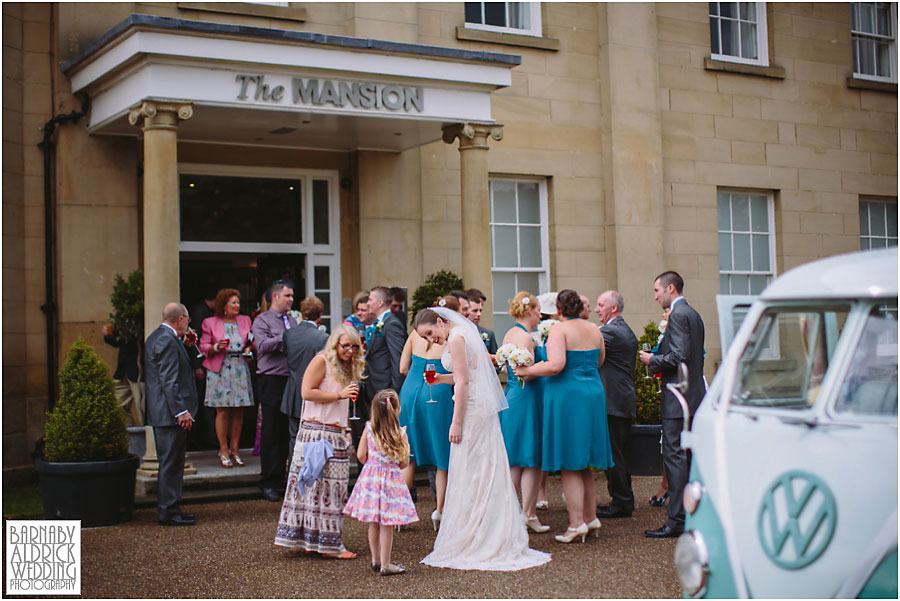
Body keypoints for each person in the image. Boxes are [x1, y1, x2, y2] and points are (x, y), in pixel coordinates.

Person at [414, 307, 550, 571]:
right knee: (482, 469)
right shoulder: (465, 332)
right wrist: (442, 379)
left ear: (440, 321)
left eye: (430, 333)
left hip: (471, 412)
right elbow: (467, 376)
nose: (431, 340)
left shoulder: (455, 337)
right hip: (478, 408)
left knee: (472, 470)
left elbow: (464, 384)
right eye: (426, 338)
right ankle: (483, 529)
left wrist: (455, 422)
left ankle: (477, 534)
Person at [515, 290, 611, 543]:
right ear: (580, 306)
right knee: (584, 462)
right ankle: (591, 518)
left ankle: (576, 523)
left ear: (558, 310)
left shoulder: (559, 330)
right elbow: (600, 360)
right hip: (592, 392)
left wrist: (527, 370)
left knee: (570, 463)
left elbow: (556, 365)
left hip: (569, 397)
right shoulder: (594, 329)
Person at [274, 324, 365, 559]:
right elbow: (306, 392)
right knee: (320, 489)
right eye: (346, 346)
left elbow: (342, 405)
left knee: (328, 489)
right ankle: (327, 546)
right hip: (317, 433)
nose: (350, 351)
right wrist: (338, 395)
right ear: (335, 343)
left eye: (355, 347)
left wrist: (345, 429)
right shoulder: (321, 361)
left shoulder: (346, 366)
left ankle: (317, 542)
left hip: (333, 432)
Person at [639, 271, 705, 539]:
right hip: (692, 395)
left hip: (678, 397)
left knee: (675, 457)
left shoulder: (678, 315)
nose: (655, 296)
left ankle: (677, 519)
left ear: (670, 288)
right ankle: (690, 515)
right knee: (685, 458)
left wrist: (651, 360)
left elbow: (678, 356)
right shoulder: (693, 314)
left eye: (657, 291)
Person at [343, 389, 418, 576]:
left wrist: (372, 464)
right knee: (387, 523)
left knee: (373, 522)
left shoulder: (368, 429)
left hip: (371, 478)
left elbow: (360, 455)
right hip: (391, 482)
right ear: (396, 409)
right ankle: (386, 563)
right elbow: (403, 463)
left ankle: (375, 560)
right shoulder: (400, 434)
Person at [397, 296, 457, 525]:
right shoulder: (450, 337)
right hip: (438, 392)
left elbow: (403, 367)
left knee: (408, 454)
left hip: (410, 390)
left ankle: (400, 513)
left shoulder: (414, 334)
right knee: (442, 456)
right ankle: (439, 511)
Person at [497, 291, 548, 533]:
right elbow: (525, 372)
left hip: (513, 396)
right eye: (538, 310)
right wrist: (549, 366)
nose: (540, 315)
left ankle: (511, 513)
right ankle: (527, 513)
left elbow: (507, 370)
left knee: (515, 459)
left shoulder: (510, 333)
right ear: (530, 311)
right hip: (527, 397)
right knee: (531, 458)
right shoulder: (525, 338)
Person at [144, 303, 199, 526]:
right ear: (180, 319)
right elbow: (169, 379)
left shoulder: (160, 337)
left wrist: (188, 346)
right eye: (187, 319)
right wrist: (181, 411)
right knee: (170, 463)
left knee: (173, 462)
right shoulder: (166, 340)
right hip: (169, 413)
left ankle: (172, 507)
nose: (188, 323)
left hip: (165, 412)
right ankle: (168, 511)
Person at [593, 290, 639, 519]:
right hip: (619, 399)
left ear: (613, 308)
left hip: (614, 401)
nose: (596, 309)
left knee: (615, 454)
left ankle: (621, 502)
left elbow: (587, 350)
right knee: (618, 453)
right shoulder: (620, 328)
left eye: (601, 305)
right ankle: (621, 499)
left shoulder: (610, 332)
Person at [198, 288, 254, 468]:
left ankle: (235, 449)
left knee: (239, 410)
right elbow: (202, 345)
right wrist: (216, 346)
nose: (237, 305)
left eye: (238, 302)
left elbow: (252, 341)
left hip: (239, 367)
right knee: (222, 410)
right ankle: (223, 449)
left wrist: (249, 349)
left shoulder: (245, 320)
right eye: (233, 302)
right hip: (220, 369)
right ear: (223, 305)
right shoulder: (210, 322)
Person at [252, 280, 297, 502]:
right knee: (270, 431)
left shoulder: (292, 320)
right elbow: (261, 346)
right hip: (270, 380)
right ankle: (267, 481)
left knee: (285, 430)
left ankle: (282, 477)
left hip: (290, 379)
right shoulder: (262, 320)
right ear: (275, 297)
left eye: (291, 295)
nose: (290, 299)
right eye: (287, 295)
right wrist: (286, 339)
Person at [281, 295, 329, 466]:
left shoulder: (288, 334)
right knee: (314, 437)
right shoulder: (322, 338)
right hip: (314, 392)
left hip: (292, 391)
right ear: (320, 315)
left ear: (301, 313)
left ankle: (291, 477)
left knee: (294, 437)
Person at [358, 286, 405, 448]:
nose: (367, 302)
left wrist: (393, 392)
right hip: (372, 386)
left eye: (370, 299)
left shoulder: (391, 324)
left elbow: (397, 358)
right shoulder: (378, 323)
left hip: (383, 387)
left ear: (379, 302)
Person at [101, 323, 144, 426]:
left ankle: (146, 440)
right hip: (123, 370)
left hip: (140, 371)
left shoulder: (140, 316)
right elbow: (118, 341)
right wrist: (109, 335)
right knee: (116, 407)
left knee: (143, 412)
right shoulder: (123, 315)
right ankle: (132, 439)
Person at [466, 288, 498, 355]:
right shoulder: (455, 332)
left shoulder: (488, 334)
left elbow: (496, 362)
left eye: (480, 310)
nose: (479, 314)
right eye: (475, 310)